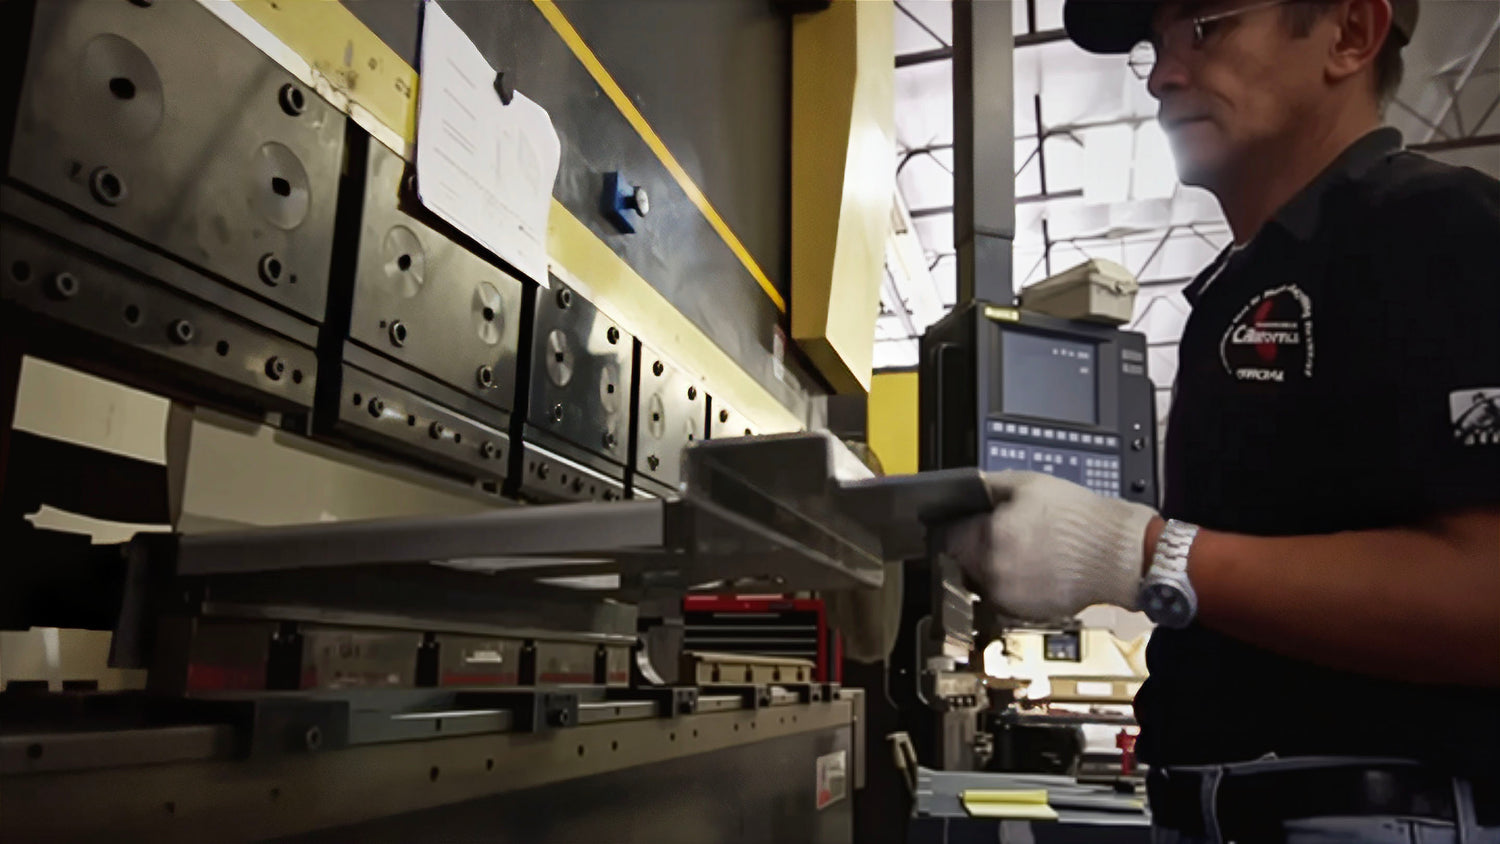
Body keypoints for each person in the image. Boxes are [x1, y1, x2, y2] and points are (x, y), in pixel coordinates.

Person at [943, 0, 1500, 840]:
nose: (1165, 74)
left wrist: (1140, 555)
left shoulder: (1442, 230)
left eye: (1205, 27)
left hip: (1371, 812)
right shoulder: (1231, 294)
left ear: (1350, 33)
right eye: (1155, 43)